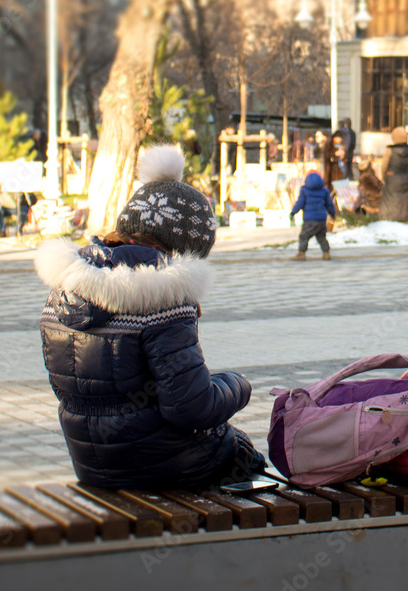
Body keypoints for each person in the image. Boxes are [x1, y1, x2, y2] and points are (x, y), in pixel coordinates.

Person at [33, 144, 265, 490]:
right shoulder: (165, 296)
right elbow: (191, 408)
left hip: (91, 464)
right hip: (167, 466)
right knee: (246, 455)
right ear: (184, 248)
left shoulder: (64, 286)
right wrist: (239, 385)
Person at [289, 170, 336, 261]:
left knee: (304, 236)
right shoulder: (325, 191)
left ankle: (301, 254)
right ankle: (326, 253)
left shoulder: (304, 190)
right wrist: (332, 213)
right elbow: (330, 204)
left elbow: (300, 203)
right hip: (321, 220)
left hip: (309, 219)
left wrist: (293, 212)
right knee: (321, 236)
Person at [379, 126, 408, 222]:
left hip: (392, 178)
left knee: (390, 200)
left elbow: (384, 166)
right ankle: (404, 217)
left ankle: (389, 217)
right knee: (404, 201)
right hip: (405, 178)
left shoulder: (390, 150)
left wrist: (384, 176)